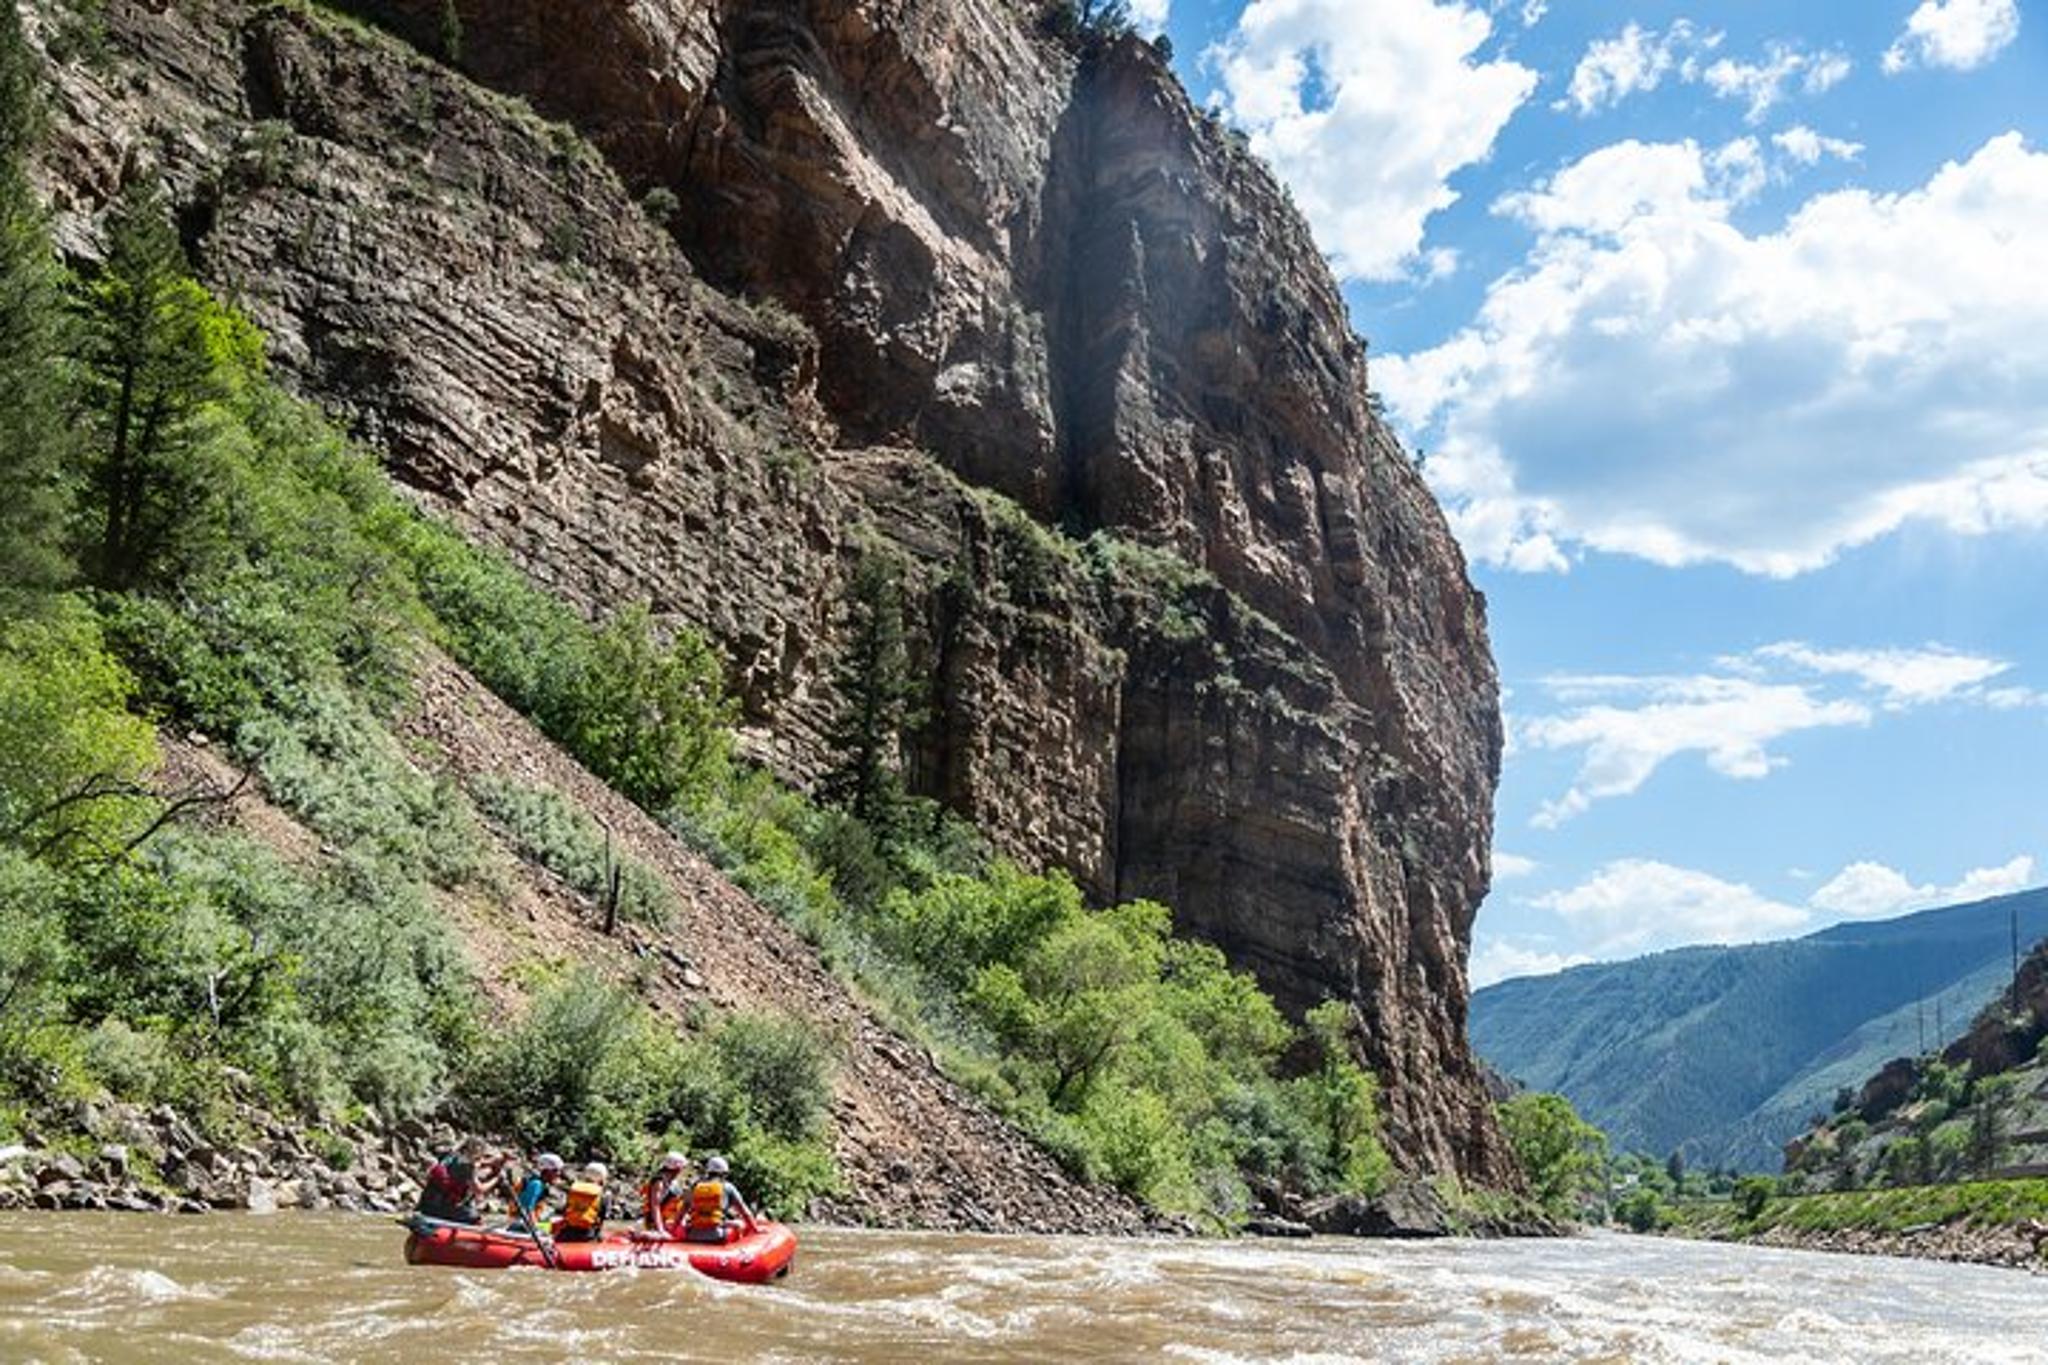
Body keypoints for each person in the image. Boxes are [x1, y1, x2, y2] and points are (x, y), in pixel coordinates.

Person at [415, 1137, 502, 1225]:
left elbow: (477, 1164)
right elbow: (479, 1190)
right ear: (475, 1152)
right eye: (481, 1154)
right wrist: (497, 1179)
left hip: (426, 1205)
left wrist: (492, 1162)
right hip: (440, 1208)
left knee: (466, 1206)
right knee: (475, 1216)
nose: (481, 1157)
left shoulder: (451, 1156)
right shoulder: (467, 1166)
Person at [682, 1154, 754, 1244]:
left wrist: (673, 1230)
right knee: (740, 1224)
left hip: (693, 1235)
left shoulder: (695, 1186)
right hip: (717, 1235)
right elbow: (744, 1212)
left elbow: (683, 1210)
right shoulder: (728, 1187)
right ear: (724, 1173)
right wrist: (755, 1229)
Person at [552, 1161, 613, 1243]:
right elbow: (604, 1216)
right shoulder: (605, 1194)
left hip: (566, 1233)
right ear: (602, 1177)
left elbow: (564, 1209)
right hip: (588, 1236)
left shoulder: (573, 1189)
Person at [507, 1152, 567, 1232]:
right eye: (555, 1170)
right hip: (521, 1223)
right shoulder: (536, 1184)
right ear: (546, 1171)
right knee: (555, 1227)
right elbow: (527, 1208)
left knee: (557, 1219)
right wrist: (535, 1228)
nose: (558, 1174)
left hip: (525, 1220)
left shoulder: (540, 1183)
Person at [641, 1151, 690, 1234]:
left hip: (672, 1221)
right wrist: (660, 1229)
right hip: (659, 1224)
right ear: (677, 1168)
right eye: (682, 1168)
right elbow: (655, 1206)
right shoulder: (659, 1183)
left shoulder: (673, 1182)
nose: (683, 1170)